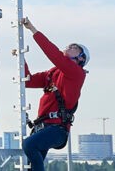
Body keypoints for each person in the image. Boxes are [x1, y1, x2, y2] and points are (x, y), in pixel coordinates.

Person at [20, 17, 89, 171]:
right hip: (44, 127)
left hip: (57, 130)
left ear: (80, 59)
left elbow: (54, 54)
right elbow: (27, 81)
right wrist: (21, 59)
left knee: (28, 144)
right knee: (33, 162)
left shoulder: (76, 73)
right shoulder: (53, 73)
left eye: (74, 47)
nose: (69, 46)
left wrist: (32, 29)